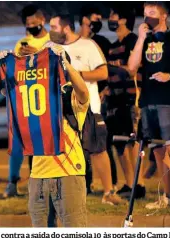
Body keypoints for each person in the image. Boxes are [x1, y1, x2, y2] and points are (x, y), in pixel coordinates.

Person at [0, 33, 90, 226]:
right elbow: (8, 92)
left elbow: (84, 92)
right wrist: (3, 66)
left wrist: (65, 64)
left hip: (69, 172)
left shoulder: (70, 100)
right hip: (37, 174)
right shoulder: (33, 97)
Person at [49, 14, 125, 206]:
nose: (50, 31)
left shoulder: (87, 46)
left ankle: (108, 192)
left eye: (53, 27)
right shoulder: (49, 48)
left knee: (98, 150)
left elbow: (103, 72)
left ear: (66, 28)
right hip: (59, 109)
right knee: (62, 152)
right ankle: (63, 193)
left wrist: (74, 74)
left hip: (87, 107)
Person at [128, 2, 170, 214]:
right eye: (145, 14)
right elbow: (132, 68)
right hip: (147, 101)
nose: (147, 17)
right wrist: (141, 38)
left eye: (152, 13)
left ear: (164, 16)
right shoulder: (144, 40)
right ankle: (167, 196)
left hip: (169, 100)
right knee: (158, 151)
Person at [3, 4, 51, 198]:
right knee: (18, 142)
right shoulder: (22, 42)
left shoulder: (52, 41)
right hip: (25, 97)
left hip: (47, 99)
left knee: (42, 143)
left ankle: (40, 183)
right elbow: (15, 69)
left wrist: (37, 55)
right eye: (28, 23)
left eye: (34, 22)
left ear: (43, 20)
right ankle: (12, 182)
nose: (31, 25)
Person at [106, 6, 146, 199]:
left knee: (134, 141)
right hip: (115, 99)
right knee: (120, 144)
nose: (110, 18)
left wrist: (114, 69)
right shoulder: (113, 47)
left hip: (132, 98)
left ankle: (140, 184)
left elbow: (133, 70)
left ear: (122, 20)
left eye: (113, 15)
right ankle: (129, 183)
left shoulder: (133, 42)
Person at [79, 5, 116, 193]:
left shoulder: (100, 42)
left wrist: (106, 89)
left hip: (97, 100)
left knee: (101, 145)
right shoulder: (75, 43)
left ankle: (111, 185)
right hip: (78, 104)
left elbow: (105, 71)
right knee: (82, 148)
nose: (98, 22)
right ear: (84, 20)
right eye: (95, 18)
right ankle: (86, 184)